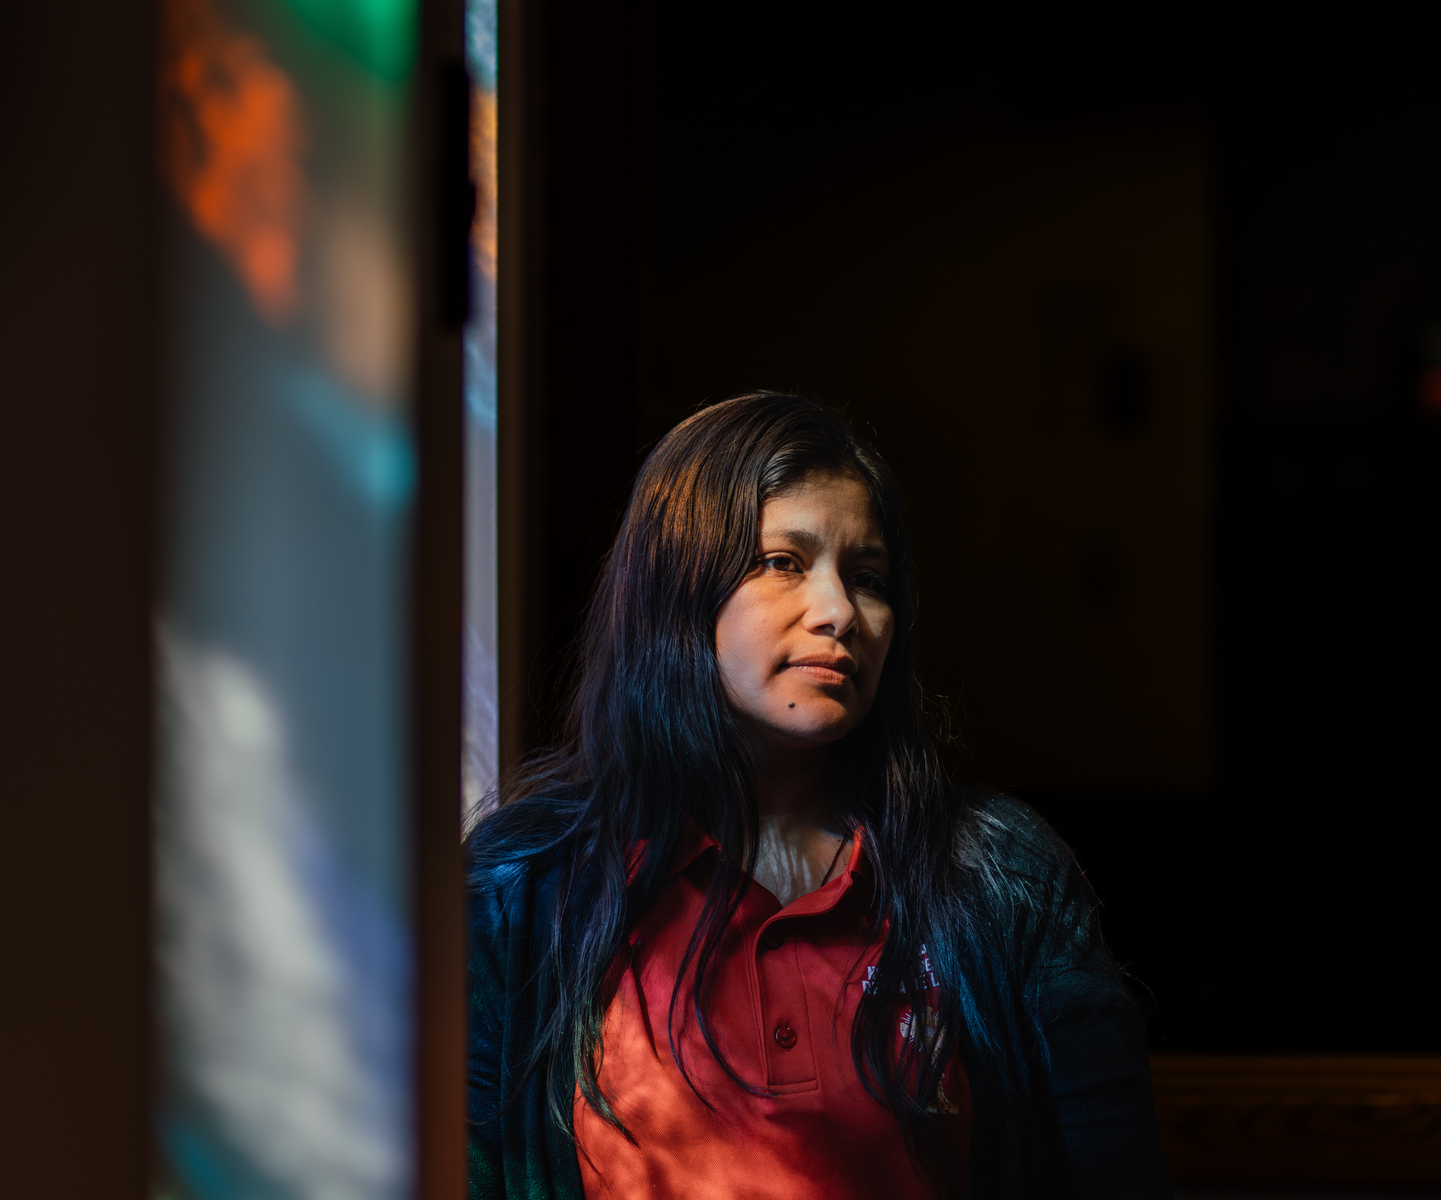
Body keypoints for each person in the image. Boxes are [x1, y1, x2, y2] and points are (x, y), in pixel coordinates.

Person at [465, 392, 1171, 1199]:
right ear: (677, 589)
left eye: (867, 578)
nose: (840, 612)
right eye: (783, 562)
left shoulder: (998, 878)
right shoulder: (525, 886)